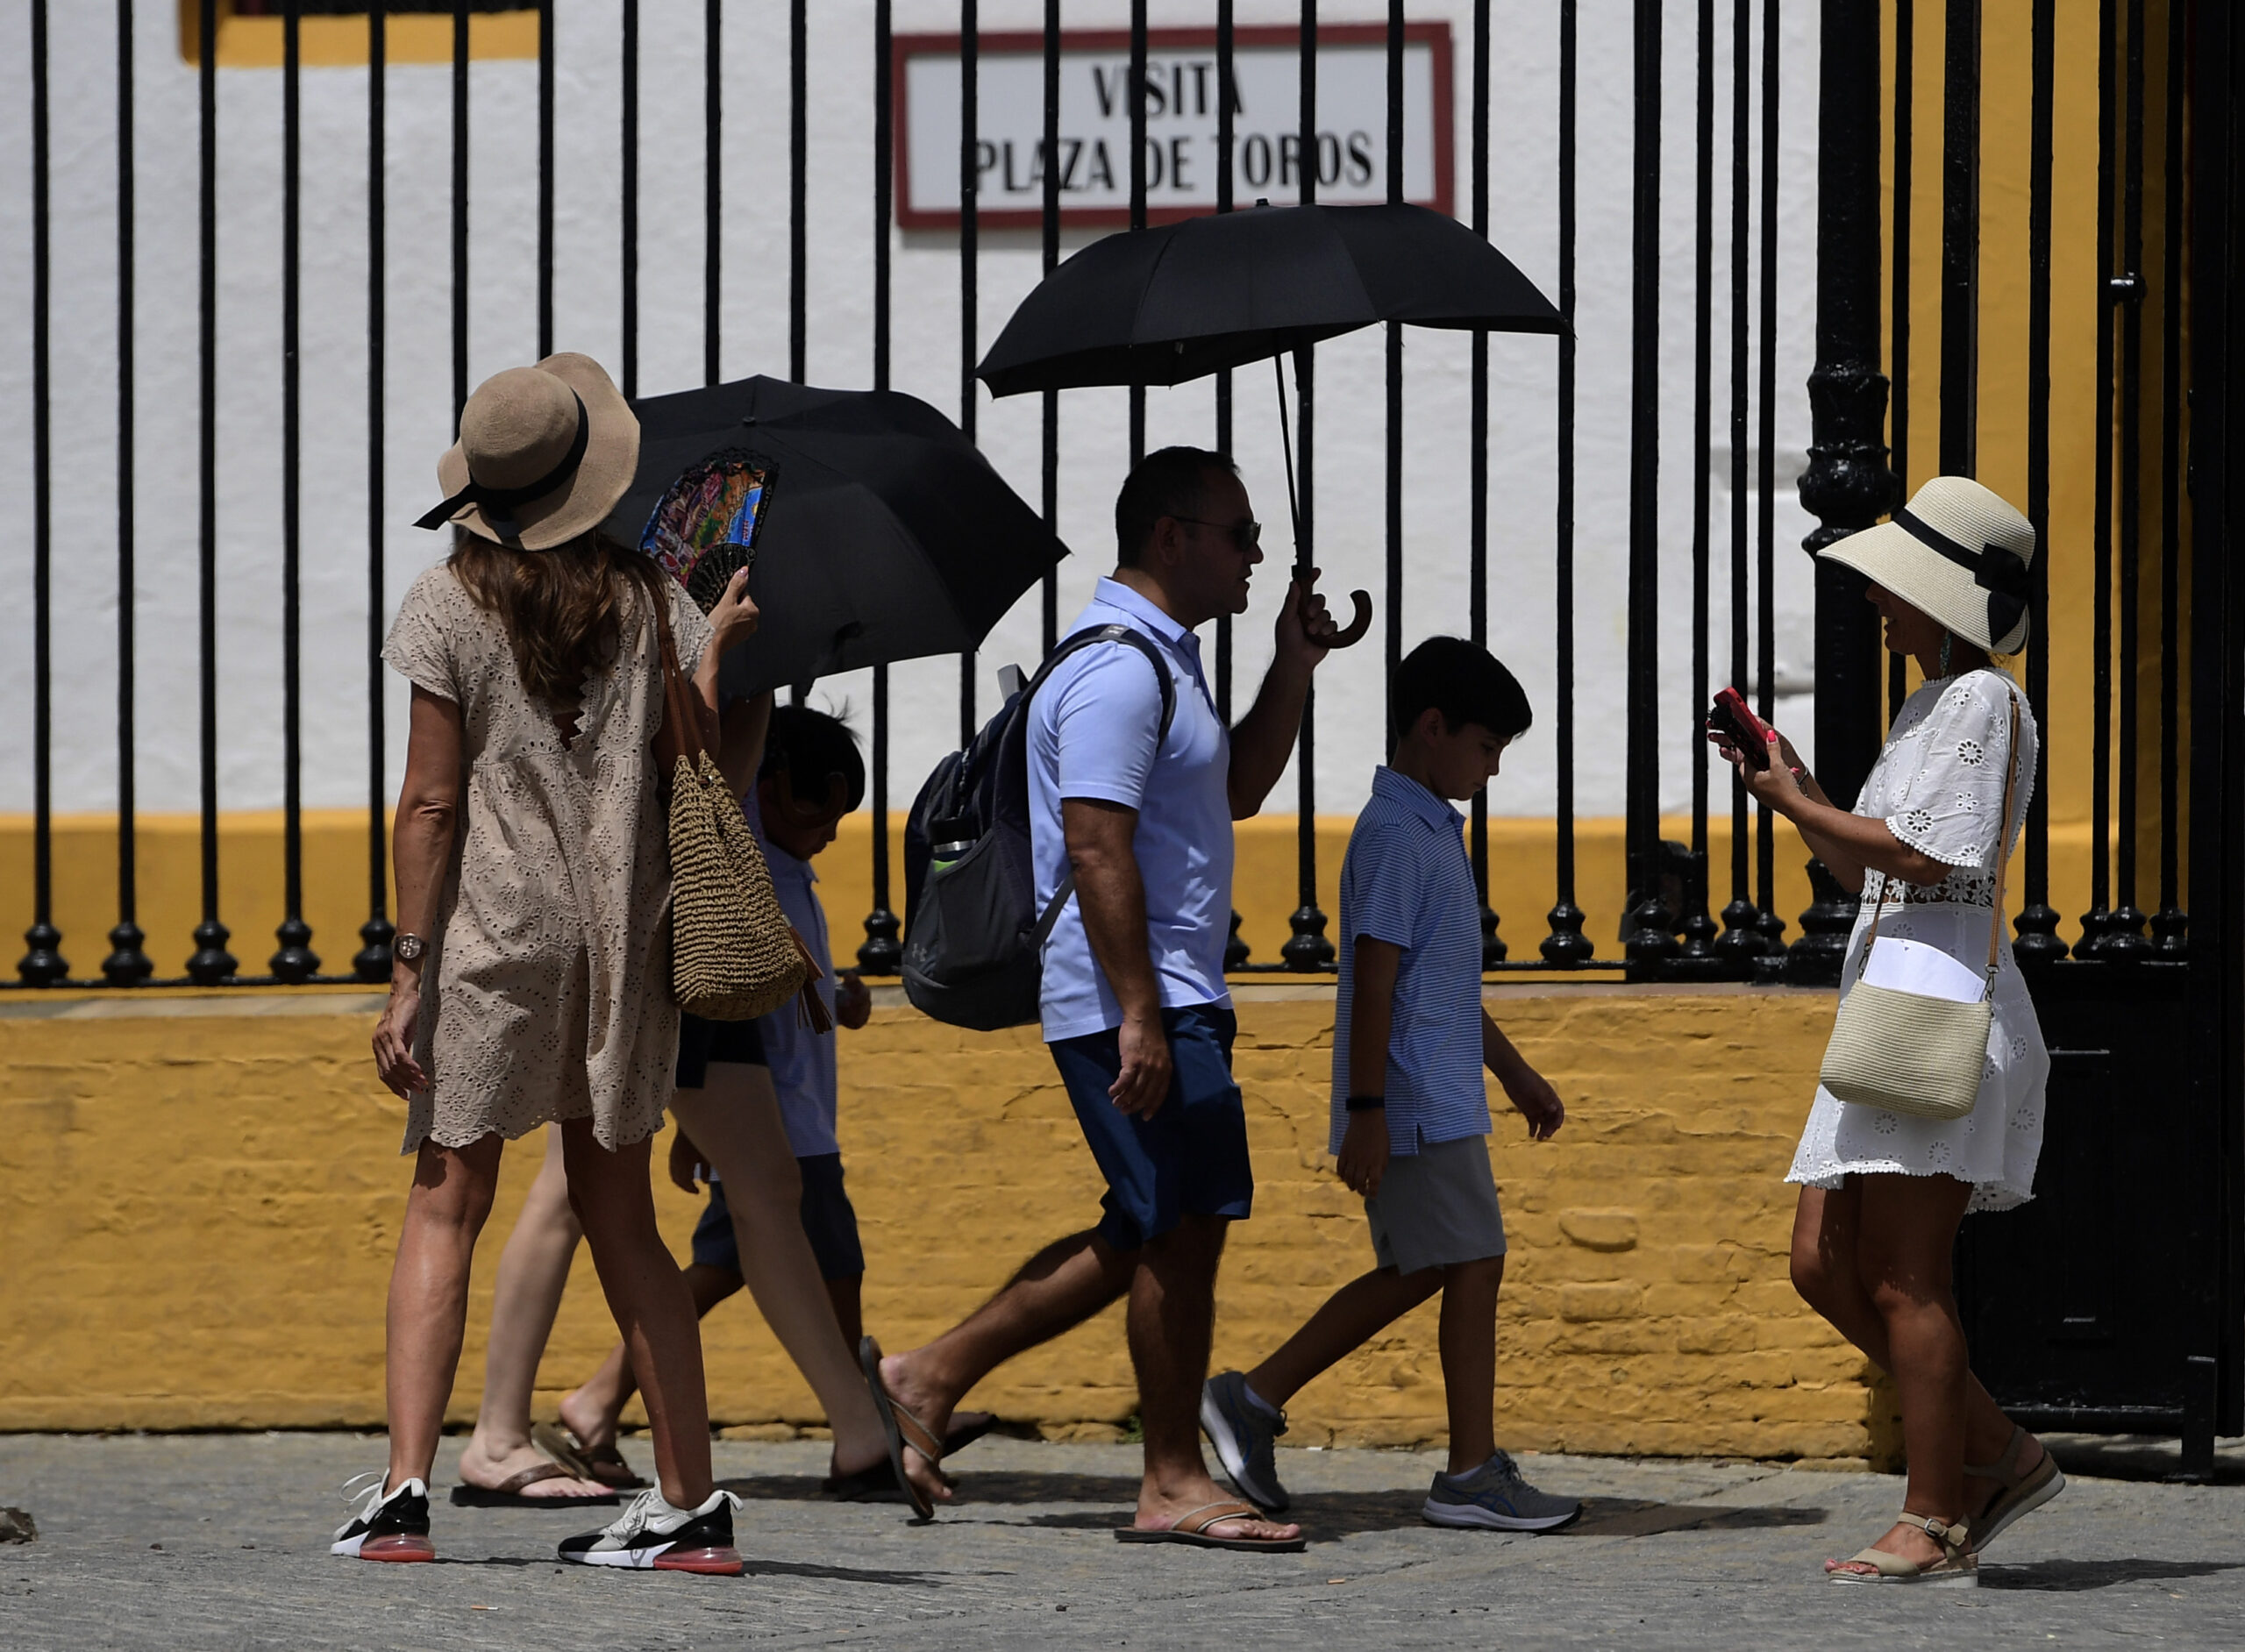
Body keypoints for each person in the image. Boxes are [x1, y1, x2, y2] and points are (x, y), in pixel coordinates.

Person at [867, 446, 1357, 1553]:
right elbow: (1094, 846)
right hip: (1131, 1000)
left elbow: (1231, 790)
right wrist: (1139, 1011)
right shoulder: (1115, 670)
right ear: (1172, 537)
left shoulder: (1165, 663)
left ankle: (925, 1375)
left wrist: (1293, 663)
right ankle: (1172, 1478)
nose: (1257, 555)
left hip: (1167, 990)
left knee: (1155, 1225)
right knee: (1178, 1232)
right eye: (1240, 534)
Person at [339, 353, 758, 1573]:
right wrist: (716, 644)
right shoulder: (652, 599)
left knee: (445, 1204)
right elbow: (696, 755)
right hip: (621, 941)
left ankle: (405, 1497)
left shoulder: (444, 603)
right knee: (625, 1224)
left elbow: (428, 803)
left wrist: (409, 969)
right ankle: (690, 1507)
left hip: (492, 937)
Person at [450, 697, 946, 1520]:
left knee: (744, 1188)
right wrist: (740, 671)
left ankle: (857, 1430)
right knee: (614, 1191)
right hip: (663, 925)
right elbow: (707, 770)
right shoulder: (687, 634)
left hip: (684, 931)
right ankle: (503, 1432)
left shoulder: (692, 637)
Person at [1713, 475, 2059, 1587]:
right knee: (1823, 1263)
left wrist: (1795, 805)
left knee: (1907, 1273)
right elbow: (1869, 854)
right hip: (1892, 992)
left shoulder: (1982, 701)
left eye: (1893, 585)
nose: (1875, 600)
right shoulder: (1931, 707)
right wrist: (1801, 788)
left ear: (1948, 600)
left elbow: (1925, 856)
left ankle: (1937, 1511)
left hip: (1936, 1001)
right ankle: (1996, 1450)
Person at [557, 703, 994, 1494]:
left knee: (732, 1265)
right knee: (826, 1263)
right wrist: (837, 998)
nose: (831, 827)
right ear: (778, 788)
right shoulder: (750, 868)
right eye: (821, 806)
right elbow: (739, 988)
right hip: (784, 1122)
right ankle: (868, 1420)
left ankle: (600, 1400)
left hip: (786, 1112)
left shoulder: (791, 874)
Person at [1201, 638, 1580, 1533]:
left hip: (1432, 1091)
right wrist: (1367, 1111)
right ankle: (1467, 1471)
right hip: (1411, 1098)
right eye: (1485, 749)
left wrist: (1514, 1072)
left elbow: (1434, 982)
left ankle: (1253, 1399)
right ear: (1432, 727)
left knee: (1430, 1265)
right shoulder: (1396, 837)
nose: (1491, 770)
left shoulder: (1425, 831)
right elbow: (1373, 980)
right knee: (1467, 1261)